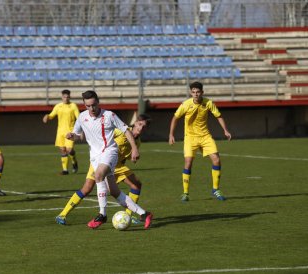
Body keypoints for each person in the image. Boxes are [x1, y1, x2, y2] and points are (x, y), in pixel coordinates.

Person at [66, 90, 153, 229]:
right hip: (94, 156)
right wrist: (72, 136)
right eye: (88, 106)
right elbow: (78, 135)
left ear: (98, 102)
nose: (91, 108)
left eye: (93, 105)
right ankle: (144, 214)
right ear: (84, 105)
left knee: (98, 175)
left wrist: (135, 148)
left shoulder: (109, 115)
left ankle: (102, 214)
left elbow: (126, 130)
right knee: (114, 191)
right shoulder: (82, 117)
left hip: (109, 151)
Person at [168, 81, 232, 202]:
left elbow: (218, 116)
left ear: (202, 92)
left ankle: (215, 189)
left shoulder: (208, 103)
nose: (196, 94)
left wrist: (225, 130)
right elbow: (175, 118)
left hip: (205, 136)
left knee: (216, 160)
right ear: (190, 93)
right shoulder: (185, 105)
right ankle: (185, 192)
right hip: (190, 138)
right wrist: (171, 134)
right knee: (188, 162)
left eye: (198, 92)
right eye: (193, 92)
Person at [43, 89, 80, 175]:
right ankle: (65, 170)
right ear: (62, 97)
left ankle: (74, 161)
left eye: (67, 97)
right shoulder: (58, 106)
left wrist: (80, 129)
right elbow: (52, 115)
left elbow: (79, 117)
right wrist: (47, 116)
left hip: (70, 131)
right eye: (64, 97)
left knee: (69, 150)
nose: (66, 98)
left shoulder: (73, 106)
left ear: (69, 97)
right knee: (63, 150)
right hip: (60, 132)